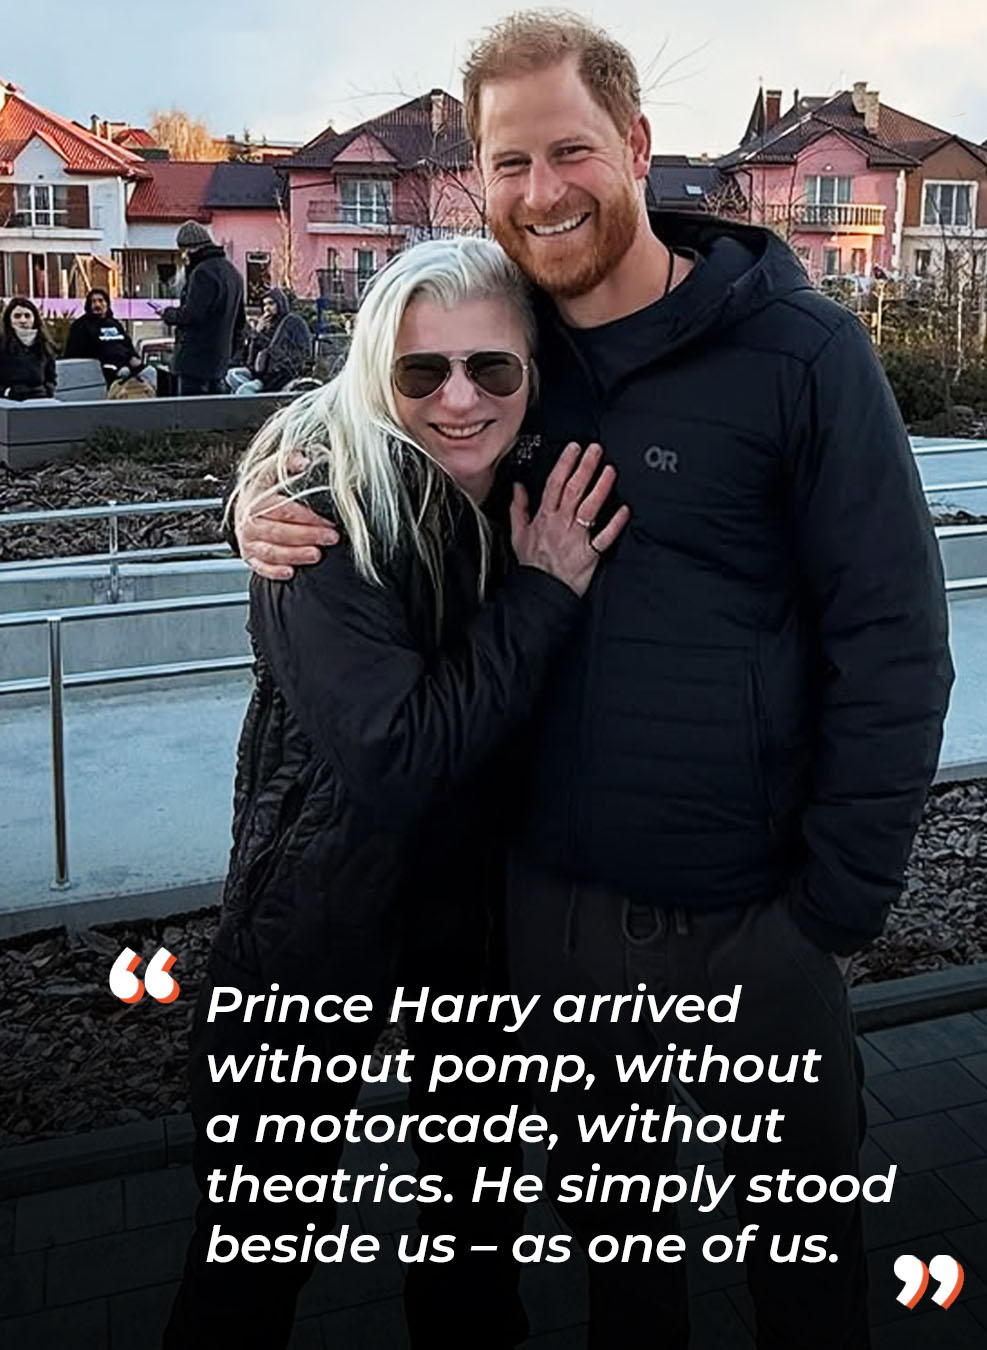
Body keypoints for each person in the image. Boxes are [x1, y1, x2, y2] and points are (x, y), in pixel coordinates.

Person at [236, 12, 954, 1348]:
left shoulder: (802, 357)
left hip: (757, 917)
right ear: (479, 178)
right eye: (509, 163)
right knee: (626, 1277)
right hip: (556, 916)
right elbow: (363, 419)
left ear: (634, 143)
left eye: (569, 150)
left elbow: (894, 637)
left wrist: (837, 899)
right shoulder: (512, 350)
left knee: (805, 1269)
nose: (542, 190)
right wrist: (254, 508)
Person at [163, 235, 629, 1350]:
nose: (460, 399)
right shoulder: (320, 514)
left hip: (475, 927)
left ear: (532, 370)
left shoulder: (533, 478)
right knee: (255, 1250)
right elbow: (399, 756)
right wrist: (541, 597)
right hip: (316, 920)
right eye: (423, 371)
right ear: (379, 371)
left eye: (491, 367)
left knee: (475, 1239)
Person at [160, 220, 245, 396]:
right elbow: (240, 320)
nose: (183, 257)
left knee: (191, 410)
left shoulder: (202, 273)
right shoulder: (233, 273)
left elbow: (192, 315)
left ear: (190, 249)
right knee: (214, 410)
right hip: (220, 361)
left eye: (183, 251)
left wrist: (167, 314)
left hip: (195, 361)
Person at [65, 288, 156, 392]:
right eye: (93, 301)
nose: (97, 304)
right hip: (105, 367)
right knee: (124, 373)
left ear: (107, 304)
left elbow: (127, 344)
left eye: (100, 301)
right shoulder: (81, 325)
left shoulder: (115, 324)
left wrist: (133, 357)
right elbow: (81, 351)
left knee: (150, 372)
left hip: (126, 362)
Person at [226, 287, 313, 394]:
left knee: (244, 390)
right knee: (232, 375)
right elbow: (251, 358)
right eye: (264, 305)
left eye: (271, 304)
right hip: (261, 371)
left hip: (278, 375)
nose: (267, 308)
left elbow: (278, 352)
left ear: (280, 304)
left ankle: (256, 396)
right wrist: (256, 333)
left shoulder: (292, 322)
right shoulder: (267, 325)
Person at [0, 296, 56, 400]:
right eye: (17, 316)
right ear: (9, 320)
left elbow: (51, 376)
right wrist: (6, 392)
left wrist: (48, 390)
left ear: (34, 319)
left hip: (40, 399)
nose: (23, 320)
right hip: (10, 402)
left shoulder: (44, 345)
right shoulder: (2, 344)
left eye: (27, 316)